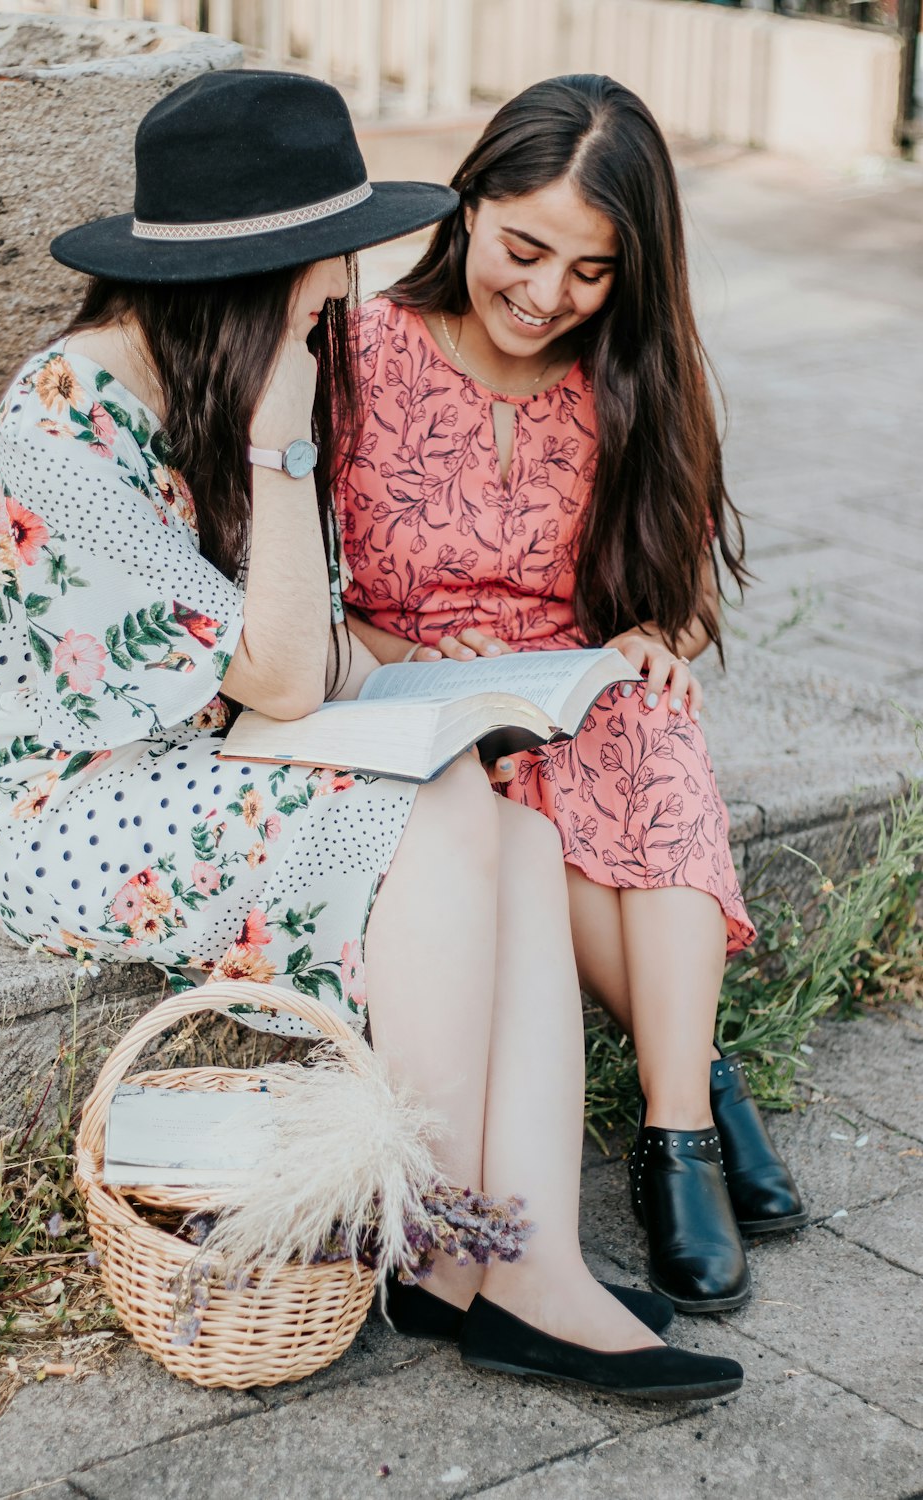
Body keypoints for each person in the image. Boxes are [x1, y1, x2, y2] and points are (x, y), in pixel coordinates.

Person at [0, 71, 741, 1400]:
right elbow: (275, 674)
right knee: (426, 805)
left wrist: (434, 673)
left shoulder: (232, 378)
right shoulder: (65, 419)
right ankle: (440, 1250)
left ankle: (527, 1261)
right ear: (256, 282)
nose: (343, 321)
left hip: (218, 759)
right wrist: (278, 450)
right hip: (78, 805)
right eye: (324, 295)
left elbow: (318, 652)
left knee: (505, 816)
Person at [335, 73, 807, 1315]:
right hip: (418, 695)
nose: (546, 296)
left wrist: (660, 639)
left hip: (573, 682)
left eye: (588, 271)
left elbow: (680, 586)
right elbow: (299, 596)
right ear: (470, 204)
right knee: (524, 802)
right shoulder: (355, 354)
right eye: (523, 247)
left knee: (649, 729)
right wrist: (393, 665)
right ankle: (703, 1080)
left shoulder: (629, 373)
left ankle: (671, 1138)